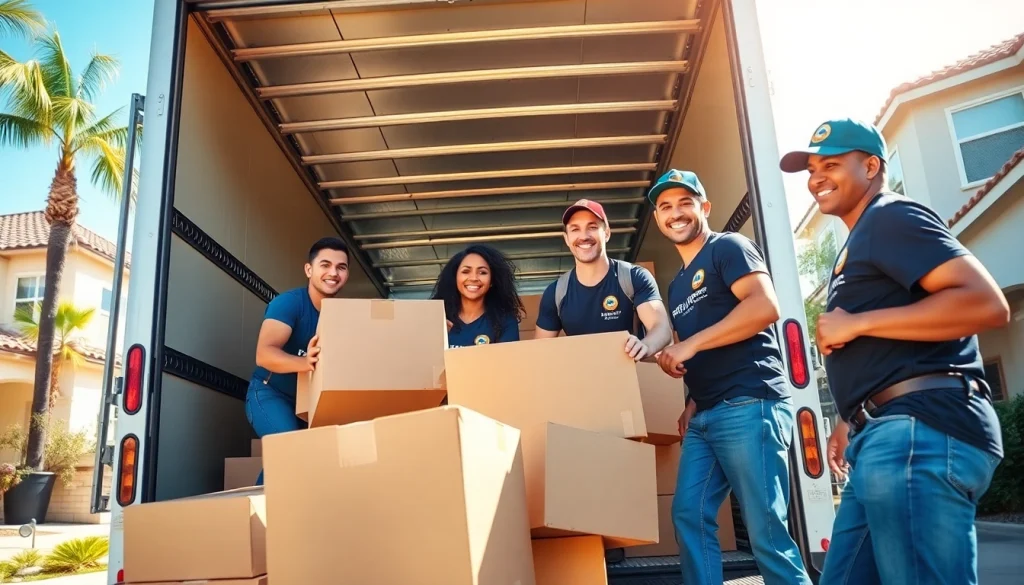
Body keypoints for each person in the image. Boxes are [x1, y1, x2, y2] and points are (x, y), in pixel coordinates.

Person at [780, 118, 1009, 585]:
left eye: (831, 164)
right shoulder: (862, 236)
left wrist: (858, 322)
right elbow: (888, 349)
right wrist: (852, 417)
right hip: (884, 438)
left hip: (919, 432)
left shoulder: (890, 216)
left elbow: (986, 303)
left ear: (870, 166)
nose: (816, 177)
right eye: (811, 168)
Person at [650, 169, 811, 585]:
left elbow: (763, 307)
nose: (676, 213)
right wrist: (691, 403)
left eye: (685, 202)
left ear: (704, 208)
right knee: (689, 513)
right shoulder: (678, 285)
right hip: (706, 417)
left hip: (750, 403)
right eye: (665, 207)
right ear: (657, 219)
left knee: (766, 533)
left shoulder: (729, 247)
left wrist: (688, 345)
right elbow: (704, 348)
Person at [246, 237, 351, 485]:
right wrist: (305, 362)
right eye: (325, 265)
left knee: (318, 462)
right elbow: (264, 354)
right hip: (270, 393)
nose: (333, 273)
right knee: (289, 449)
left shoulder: (343, 314)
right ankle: (255, 515)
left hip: (313, 402)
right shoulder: (289, 303)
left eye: (341, 267)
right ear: (309, 269)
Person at [533, 199, 672, 360]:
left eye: (592, 227)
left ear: (606, 233)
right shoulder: (556, 293)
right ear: (566, 238)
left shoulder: (633, 277)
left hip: (629, 378)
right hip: (583, 380)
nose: (584, 236)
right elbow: (539, 352)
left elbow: (661, 328)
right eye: (575, 229)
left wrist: (645, 345)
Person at [430, 244, 525, 348]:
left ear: (492, 281)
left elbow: (508, 362)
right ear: (455, 277)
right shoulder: (436, 318)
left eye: (482, 272)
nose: (474, 278)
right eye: (466, 271)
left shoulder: (505, 322)